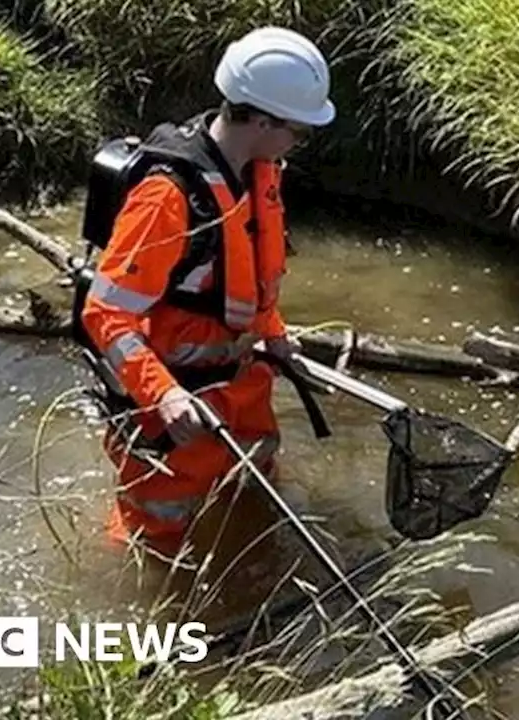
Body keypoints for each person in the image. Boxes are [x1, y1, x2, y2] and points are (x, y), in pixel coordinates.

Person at [79, 26, 336, 564]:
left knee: (252, 494)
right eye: (300, 131)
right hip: (175, 410)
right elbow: (105, 313)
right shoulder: (166, 199)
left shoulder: (258, 171)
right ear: (262, 121)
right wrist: (164, 395)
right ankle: (157, 631)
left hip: (241, 389)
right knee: (157, 537)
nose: (300, 142)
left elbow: (250, 283)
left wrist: (276, 338)